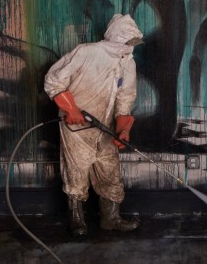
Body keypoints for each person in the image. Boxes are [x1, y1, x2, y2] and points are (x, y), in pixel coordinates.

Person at [44, 13, 143, 237]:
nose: (131, 47)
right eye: (128, 41)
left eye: (134, 43)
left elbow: (125, 97)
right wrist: (72, 109)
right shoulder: (86, 52)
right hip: (76, 127)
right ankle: (77, 220)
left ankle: (111, 218)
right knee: (77, 170)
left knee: (109, 171)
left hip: (105, 127)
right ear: (117, 37)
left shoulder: (128, 63)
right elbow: (53, 80)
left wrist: (123, 129)